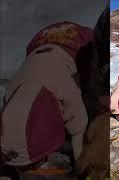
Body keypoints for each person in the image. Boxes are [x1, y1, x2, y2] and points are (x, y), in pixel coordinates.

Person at [0, 21, 94, 172]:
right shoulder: (9, 96)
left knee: (91, 95)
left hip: (78, 42)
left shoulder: (66, 91)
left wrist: (82, 169)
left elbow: (79, 130)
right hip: (41, 41)